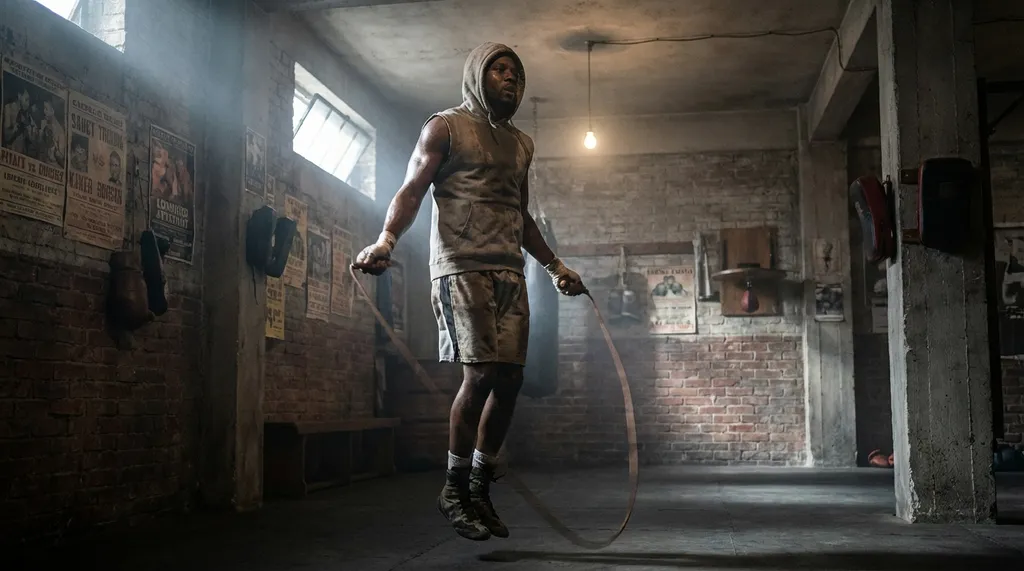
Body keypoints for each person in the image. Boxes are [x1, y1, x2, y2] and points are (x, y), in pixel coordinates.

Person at [353, 42, 586, 541]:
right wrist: (386, 240)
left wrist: (555, 266)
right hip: (460, 266)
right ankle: (454, 488)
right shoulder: (445, 127)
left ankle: (480, 484)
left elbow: (520, 215)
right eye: (500, 70)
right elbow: (412, 187)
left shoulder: (522, 144)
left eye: (516, 74)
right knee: (479, 376)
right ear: (477, 76)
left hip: (510, 269)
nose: (510, 79)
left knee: (510, 381)